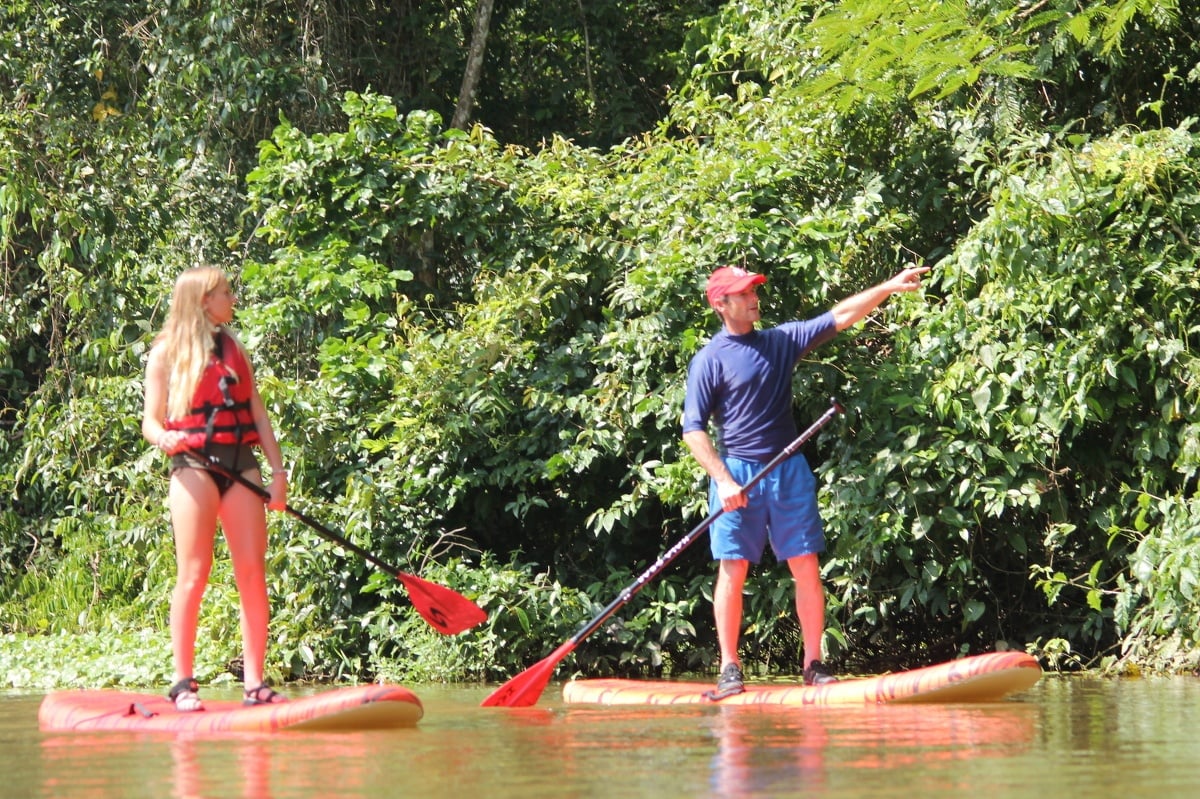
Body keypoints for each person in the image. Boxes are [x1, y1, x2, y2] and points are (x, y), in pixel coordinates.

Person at [682, 263, 929, 699]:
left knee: (806, 567)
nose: (754, 297)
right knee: (733, 569)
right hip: (737, 473)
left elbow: (842, 315)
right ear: (721, 304)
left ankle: (813, 663)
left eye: (754, 289)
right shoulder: (709, 359)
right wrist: (722, 479)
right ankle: (729, 668)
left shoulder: (778, 341)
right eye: (743, 293)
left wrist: (888, 286)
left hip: (788, 470)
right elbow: (693, 430)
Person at [141, 266, 290, 711]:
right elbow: (151, 420)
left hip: (240, 464)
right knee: (194, 573)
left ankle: (256, 684)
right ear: (205, 300)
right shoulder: (164, 355)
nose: (232, 299)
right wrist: (161, 436)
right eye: (226, 293)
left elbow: (257, 414)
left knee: (252, 573)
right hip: (192, 465)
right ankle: (183, 682)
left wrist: (277, 474)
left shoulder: (234, 348)